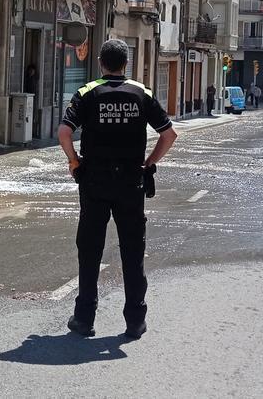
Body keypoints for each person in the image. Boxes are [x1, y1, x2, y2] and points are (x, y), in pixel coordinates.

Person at [58, 39, 178, 339]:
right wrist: (148, 164)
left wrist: (74, 162)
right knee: (133, 253)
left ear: (101, 62)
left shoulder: (87, 92)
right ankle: (135, 321)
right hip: (130, 183)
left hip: (95, 183)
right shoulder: (141, 93)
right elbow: (169, 134)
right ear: (127, 63)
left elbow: (63, 132)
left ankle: (84, 320)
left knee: (89, 251)